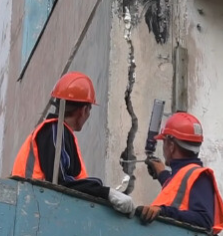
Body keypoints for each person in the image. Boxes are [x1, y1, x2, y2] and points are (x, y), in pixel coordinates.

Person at [11, 71, 135, 215]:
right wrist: (106, 193)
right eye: (89, 110)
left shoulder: (57, 132)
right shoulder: (55, 130)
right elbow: (60, 182)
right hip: (36, 207)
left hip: (35, 207)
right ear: (84, 110)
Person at [138, 112, 223, 235]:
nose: (163, 147)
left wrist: (163, 211)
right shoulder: (184, 174)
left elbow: (204, 220)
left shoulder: (199, 177)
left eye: (164, 142)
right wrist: (162, 173)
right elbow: (178, 190)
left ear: (171, 145)